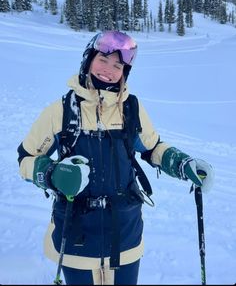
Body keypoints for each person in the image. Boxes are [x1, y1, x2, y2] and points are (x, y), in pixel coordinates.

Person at [17, 30, 214, 285]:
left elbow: (153, 148)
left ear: (124, 72)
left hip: (125, 233)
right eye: (103, 60)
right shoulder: (61, 111)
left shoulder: (131, 108)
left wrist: (181, 162)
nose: (108, 70)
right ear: (88, 59)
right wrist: (52, 174)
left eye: (117, 65)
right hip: (76, 235)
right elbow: (26, 158)